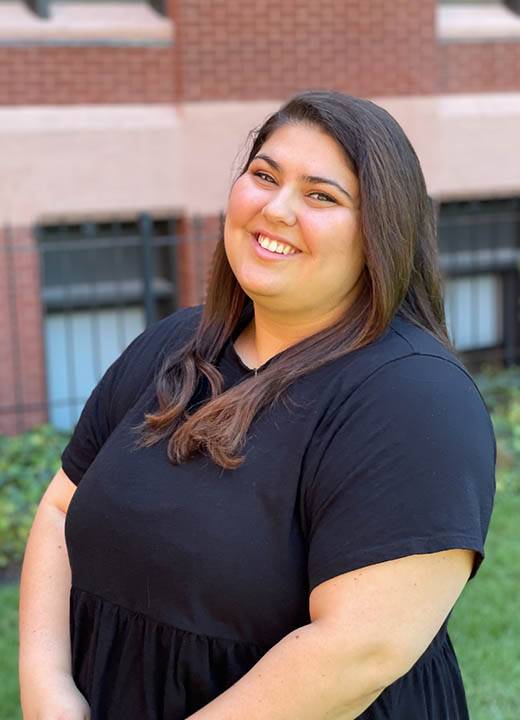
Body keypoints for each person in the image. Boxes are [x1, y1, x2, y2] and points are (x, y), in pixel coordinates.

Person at [19, 90, 496, 720]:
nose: (276, 208)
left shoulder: (414, 399)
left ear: (381, 233)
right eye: (264, 176)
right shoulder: (176, 343)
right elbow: (60, 507)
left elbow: (359, 652)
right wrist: (50, 690)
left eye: (321, 195)